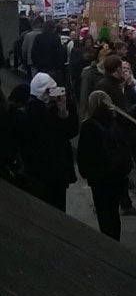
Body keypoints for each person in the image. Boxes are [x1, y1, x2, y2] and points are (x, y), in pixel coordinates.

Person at [15, 73, 78, 211]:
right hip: (39, 171)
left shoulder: (63, 104)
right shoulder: (30, 110)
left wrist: (64, 113)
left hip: (59, 168)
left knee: (59, 206)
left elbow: (72, 130)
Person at [77, 90, 133, 240]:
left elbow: (83, 153)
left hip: (100, 178)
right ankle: (116, 239)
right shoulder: (115, 122)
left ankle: (109, 242)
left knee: (104, 213)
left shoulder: (89, 125)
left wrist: (85, 172)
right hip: (117, 176)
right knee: (114, 212)